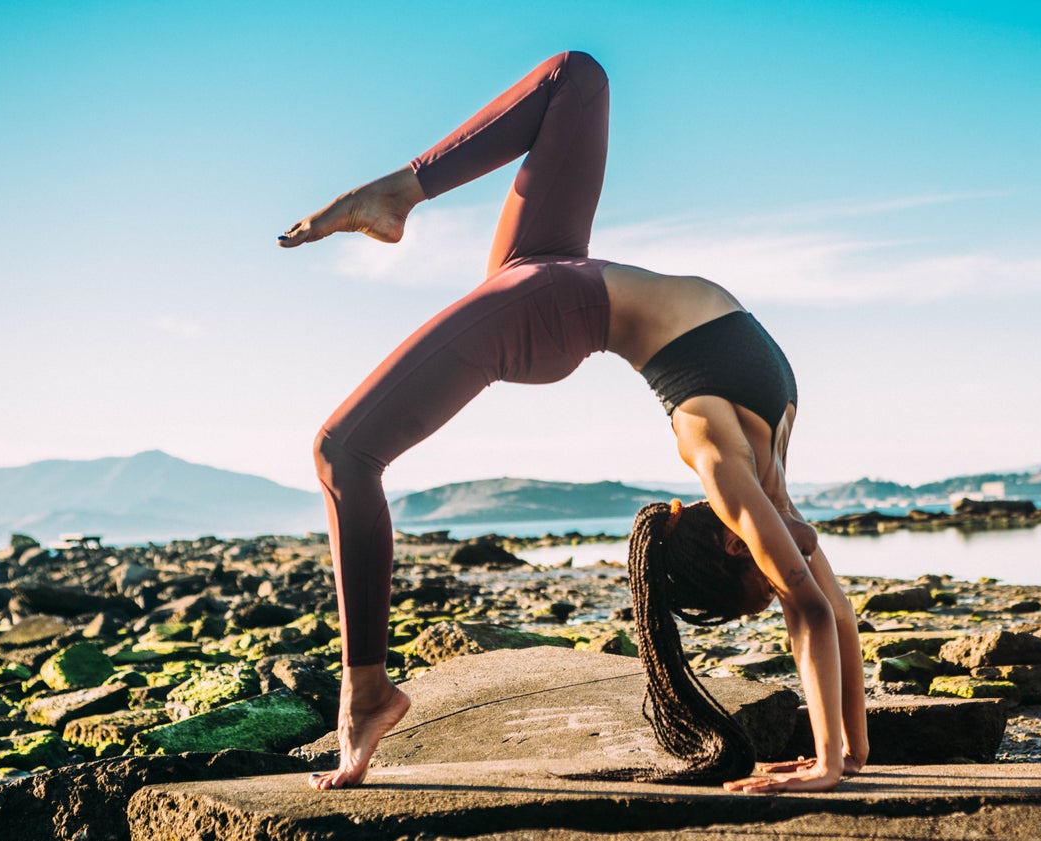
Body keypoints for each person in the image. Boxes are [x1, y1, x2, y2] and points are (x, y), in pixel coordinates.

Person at [279, 51, 868, 793]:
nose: (788, 559)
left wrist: (832, 760)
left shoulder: (737, 469)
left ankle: (366, 694)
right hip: (553, 273)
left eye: (770, 570)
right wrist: (843, 757)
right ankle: (399, 191)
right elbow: (820, 611)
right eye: (769, 567)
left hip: (554, 309)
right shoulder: (733, 470)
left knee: (343, 452)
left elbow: (813, 606)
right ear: (731, 533)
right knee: (577, 76)